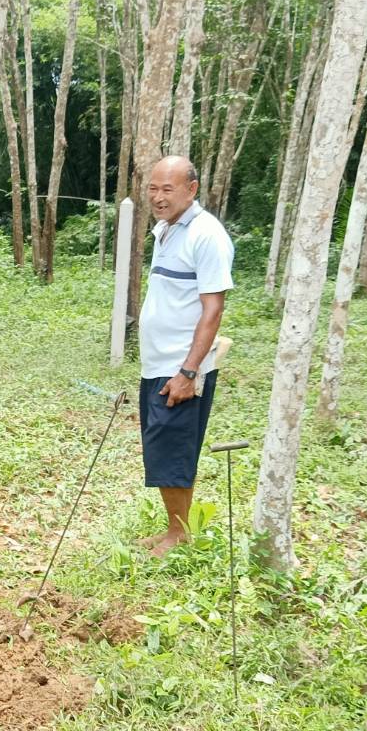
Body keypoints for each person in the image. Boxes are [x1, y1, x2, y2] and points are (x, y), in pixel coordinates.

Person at [136, 156, 234, 557]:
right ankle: (174, 528)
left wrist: (189, 371)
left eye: (168, 189)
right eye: (153, 189)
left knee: (173, 449)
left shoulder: (207, 235)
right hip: (157, 362)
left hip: (180, 366)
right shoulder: (166, 229)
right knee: (164, 448)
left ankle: (179, 535)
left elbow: (213, 310)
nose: (158, 198)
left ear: (192, 189)